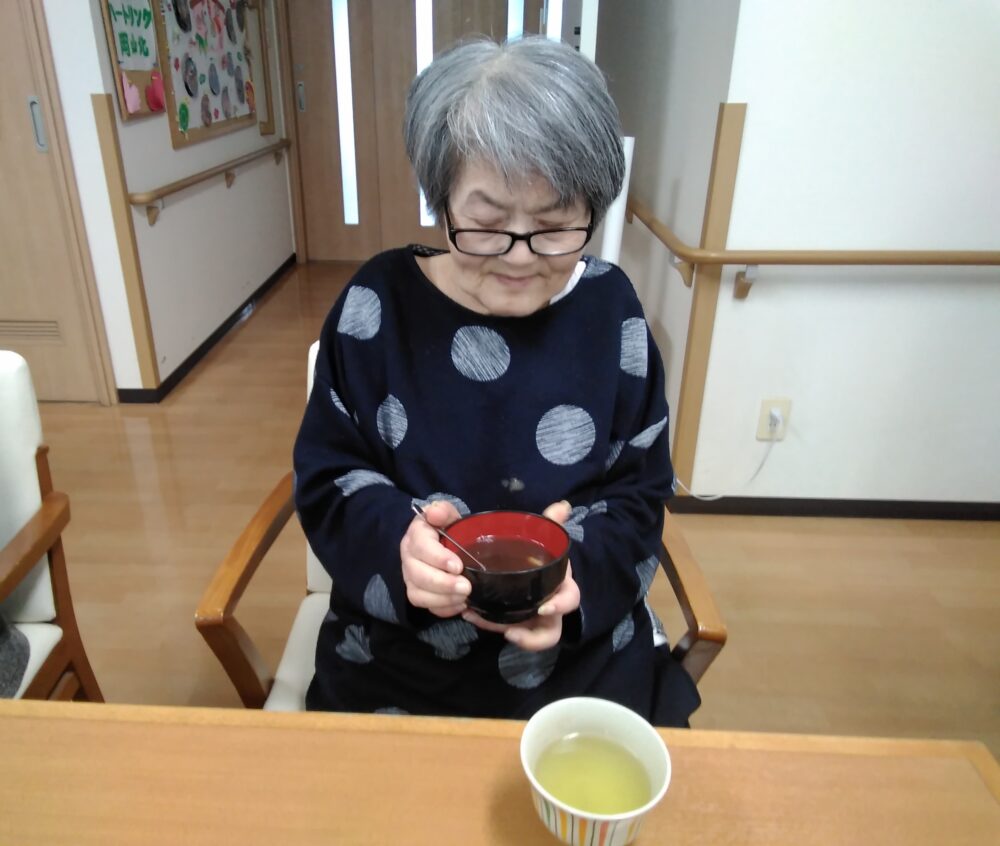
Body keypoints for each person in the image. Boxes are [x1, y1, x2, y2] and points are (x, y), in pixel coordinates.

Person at [293, 36, 699, 725]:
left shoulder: (612, 311)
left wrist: (576, 580)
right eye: (484, 224)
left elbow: (639, 493)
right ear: (441, 199)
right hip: (399, 662)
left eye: (554, 226)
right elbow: (329, 477)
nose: (518, 257)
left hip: (579, 662)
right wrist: (401, 548)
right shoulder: (375, 307)